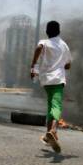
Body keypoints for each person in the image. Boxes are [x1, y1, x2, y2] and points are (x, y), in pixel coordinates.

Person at [30, 21, 71, 153]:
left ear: (47, 32)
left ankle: (48, 135)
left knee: (50, 106)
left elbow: (38, 48)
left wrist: (33, 67)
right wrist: (61, 64)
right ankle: (53, 130)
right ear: (59, 31)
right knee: (56, 105)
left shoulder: (44, 42)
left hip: (46, 80)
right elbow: (68, 65)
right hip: (58, 79)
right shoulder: (64, 46)